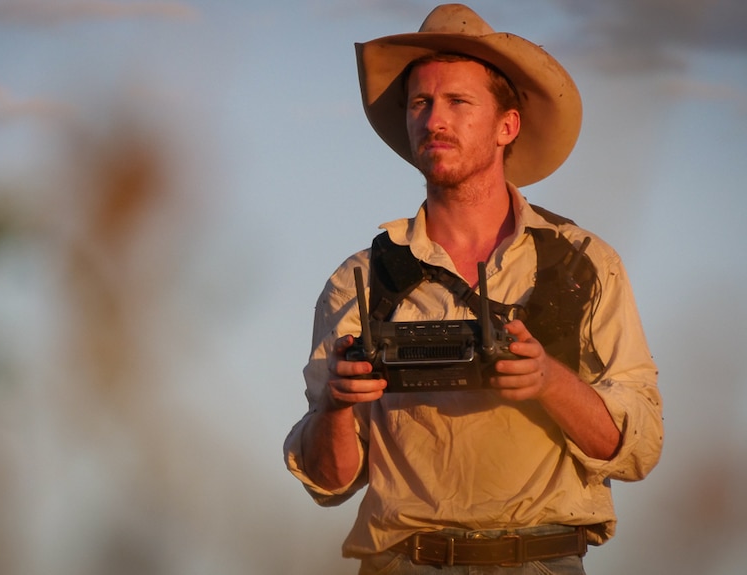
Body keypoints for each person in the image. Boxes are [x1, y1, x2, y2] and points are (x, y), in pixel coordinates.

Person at [284, 4, 663, 574]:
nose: (434, 119)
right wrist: (337, 406)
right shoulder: (360, 281)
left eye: (459, 103)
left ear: (507, 126)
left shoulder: (584, 265)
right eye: (421, 103)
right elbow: (329, 481)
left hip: (542, 560)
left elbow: (638, 448)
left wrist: (548, 380)